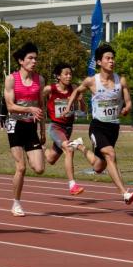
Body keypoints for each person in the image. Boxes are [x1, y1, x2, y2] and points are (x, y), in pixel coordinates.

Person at [64, 43, 133, 205]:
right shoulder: (91, 81)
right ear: (99, 62)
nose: (111, 61)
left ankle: (79, 146)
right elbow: (76, 91)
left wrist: (126, 108)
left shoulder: (121, 80)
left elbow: (129, 102)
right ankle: (124, 193)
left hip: (114, 127)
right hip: (98, 127)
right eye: (107, 58)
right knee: (110, 154)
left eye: (113, 58)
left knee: (99, 166)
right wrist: (69, 107)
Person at [3, 42, 46, 217]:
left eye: (36, 58)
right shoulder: (11, 79)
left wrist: (42, 130)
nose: (34, 61)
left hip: (31, 126)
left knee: (39, 168)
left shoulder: (39, 80)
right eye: (30, 58)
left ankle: (32, 152)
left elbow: (41, 106)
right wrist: (29, 109)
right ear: (21, 61)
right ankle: (16, 203)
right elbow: (10, 106)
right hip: (15, 124)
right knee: (21, 168)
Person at [43, 63, 89, 195]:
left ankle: (39, 147)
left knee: (51, 159)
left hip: (68, 129)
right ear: (58, 76)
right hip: (56, 127)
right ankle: (72, 185)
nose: (69, 76)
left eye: (70, 74)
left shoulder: (74, 88)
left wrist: (80, 100)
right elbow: (37, 100)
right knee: (69, 149)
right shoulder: (50, 89)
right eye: (66, 74)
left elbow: (84, 110)